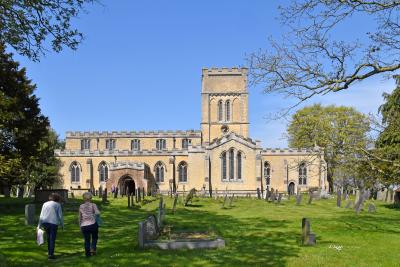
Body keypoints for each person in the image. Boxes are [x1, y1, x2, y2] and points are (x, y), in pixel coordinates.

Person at [38, 193, 64, 260]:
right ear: (57, 198)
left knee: (49, 238)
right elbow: (60, 216)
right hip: (53, 223)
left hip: (45, 222)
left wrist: (39, 225)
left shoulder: (45, 204)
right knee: (52, 239)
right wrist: (62, 225)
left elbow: (41, 215)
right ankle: (51, 254)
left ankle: (50, 252)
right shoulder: (58, 204)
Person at [79, 192, 100, 257]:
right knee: (94, 237)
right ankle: (93, 248)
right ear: (91, 198)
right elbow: (97, 213)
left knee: (87, 240)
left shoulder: (81, 206)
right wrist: (95, 214)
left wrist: (80, 225)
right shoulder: (93, 205)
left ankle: (87, 254)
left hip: (84, 225)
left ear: (83, 199)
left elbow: (80, 217)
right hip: (93, 224)